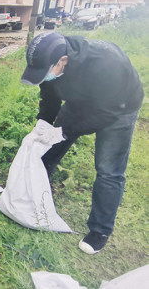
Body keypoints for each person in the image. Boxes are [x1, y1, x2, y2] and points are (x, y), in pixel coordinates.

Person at [21, 32, 143, 254]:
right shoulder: (52, 61)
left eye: (44, 72)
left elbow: (105, 115)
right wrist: (44, 124)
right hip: (80, 101)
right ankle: (35, 193)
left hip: (118, 108)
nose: (43, 76)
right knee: (49, 148)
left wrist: (66, 131)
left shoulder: (106, 64)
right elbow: (50, 97)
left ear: (63, 61)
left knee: (108, 169)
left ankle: (100, 230)